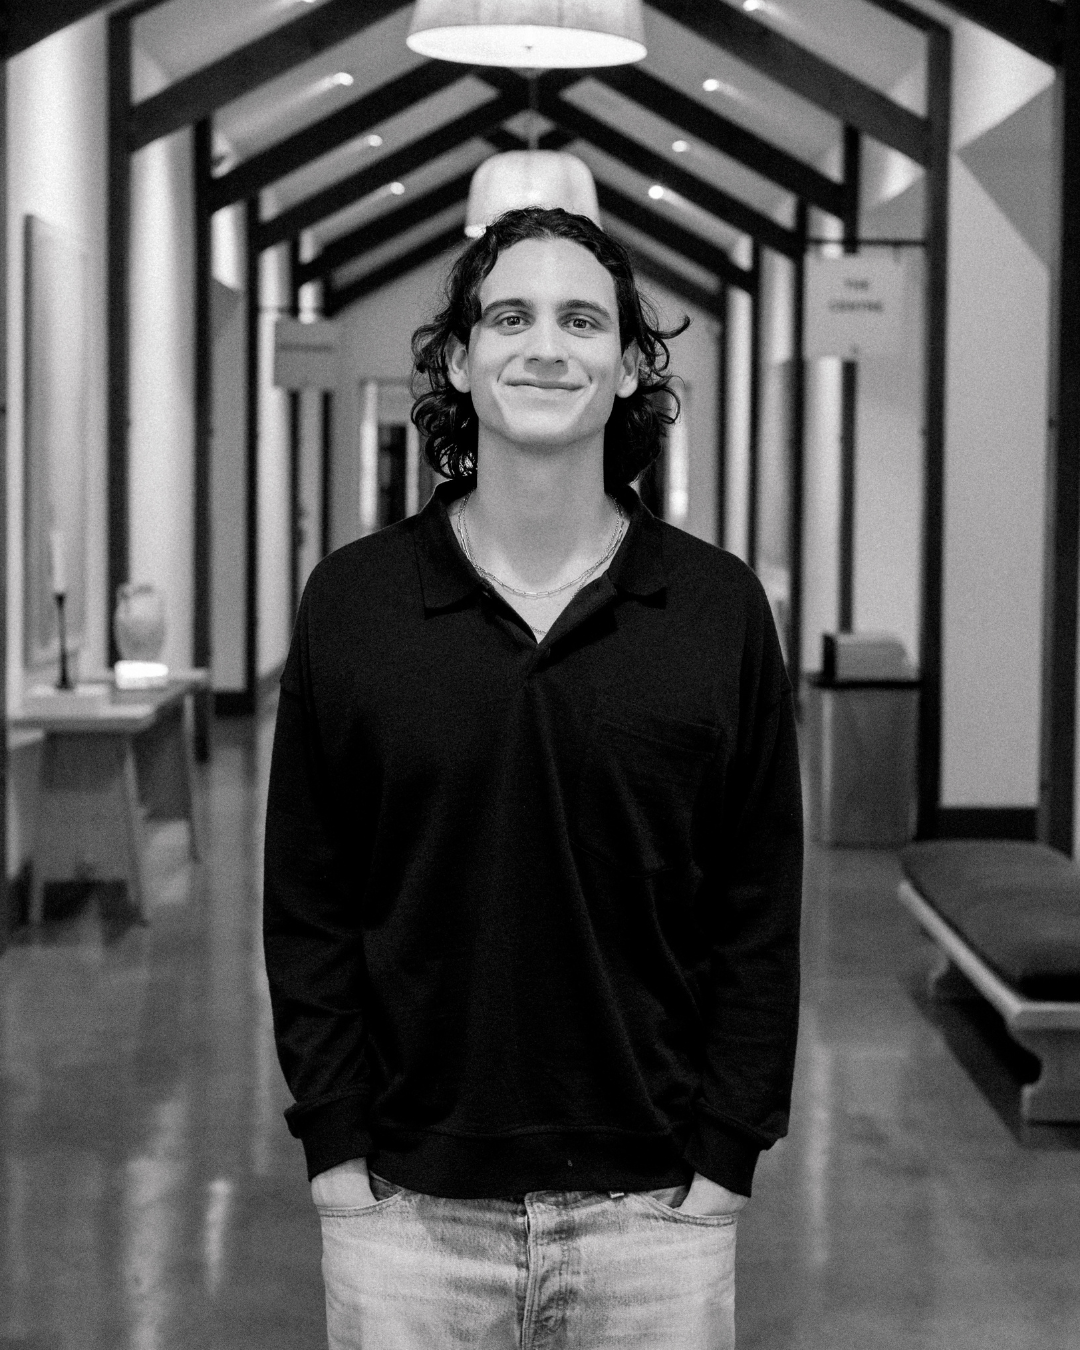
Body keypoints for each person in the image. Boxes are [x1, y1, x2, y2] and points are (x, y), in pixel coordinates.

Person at [263, 206, 803, 1350]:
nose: (545, 345)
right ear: (459, 359)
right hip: (406, 1213)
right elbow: (308, 903)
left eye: (582, 320)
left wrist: (723, 1162)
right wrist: (340, 1158)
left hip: (656, 1211)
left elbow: (757, 911)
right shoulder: (354, 605)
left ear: (627, 366)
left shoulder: (717, 611)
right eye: (508, 316)